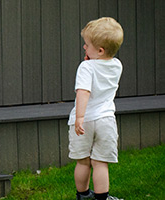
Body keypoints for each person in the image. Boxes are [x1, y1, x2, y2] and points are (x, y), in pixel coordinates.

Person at [68, 17, 124, 200]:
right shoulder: (117, 65)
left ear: (99, 50)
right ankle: (102, 198)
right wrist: (93, 60)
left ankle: (83, 195)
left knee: (83, 162)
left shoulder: (86, 67)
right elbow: (102, 68)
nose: (84, 47)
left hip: (85, 120)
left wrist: (79, 117)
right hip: (106, 120)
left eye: (87, 45)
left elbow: (83, 92)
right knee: (100, 163)